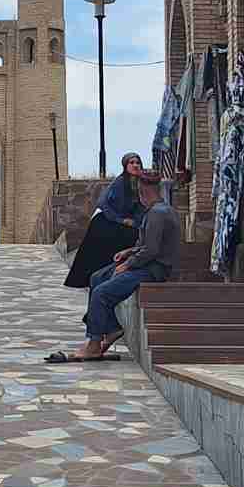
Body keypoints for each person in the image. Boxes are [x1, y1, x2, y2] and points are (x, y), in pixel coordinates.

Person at [51, 198, 178, 363]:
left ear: (142, 192)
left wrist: (128, 264)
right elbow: (145, 246)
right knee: (96, 278)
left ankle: (94, 344)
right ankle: (111, 329)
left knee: (101, 293)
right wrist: (128, 252)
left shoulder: (158, 213)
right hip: (143, 264)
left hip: (152, 269)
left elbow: (152, 251)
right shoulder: (152, 212)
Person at [65, 152, 154, 290]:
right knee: (108, 237)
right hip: (108, 219)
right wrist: (121, 220)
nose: (135, 165)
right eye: (132, 163)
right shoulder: (119, 182)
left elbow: (142, 207)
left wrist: (136, 222)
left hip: (128, 222)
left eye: (137, 162)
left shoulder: (142, 183)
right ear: (125, 166)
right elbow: (104, 204)